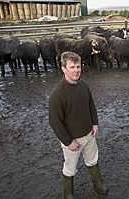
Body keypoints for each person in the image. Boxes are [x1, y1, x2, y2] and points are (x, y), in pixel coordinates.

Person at [48, 51, 108, 198]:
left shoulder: (84, 86)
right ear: (64, 68)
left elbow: (91, 105)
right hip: (72, 141)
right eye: (72, 67)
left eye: (78, 67)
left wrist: (95, 123)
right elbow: (54, 122)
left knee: (93, 160)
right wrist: (68, 142)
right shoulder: (56, 95)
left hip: (89, 135)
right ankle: (68, 194)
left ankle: (98, 184)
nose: (76, 70)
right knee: (70, 168)